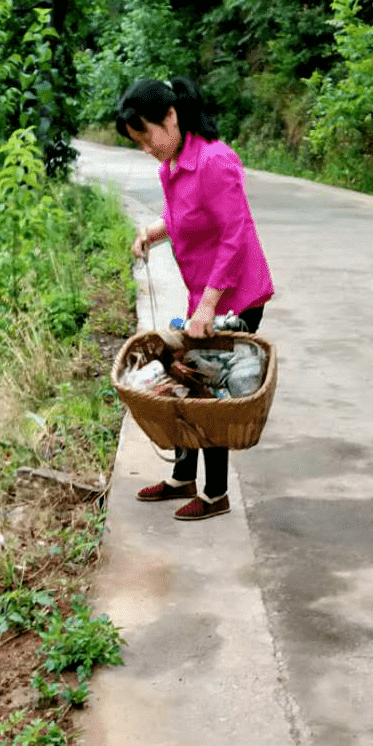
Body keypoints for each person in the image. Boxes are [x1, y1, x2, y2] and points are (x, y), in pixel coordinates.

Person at [117, 76, 274, 522]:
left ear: (171, 117)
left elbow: (235, 234)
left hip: (235, 297)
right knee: (187, 377)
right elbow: (182, 215)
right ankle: (182, 476)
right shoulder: (172, 166)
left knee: (213, 390)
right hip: (203, 296)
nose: (146, 147)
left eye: (146, 135)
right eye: (137, 141)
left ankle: (216, 493)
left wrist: (209, 308)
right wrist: (153, 232)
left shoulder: (214, 161)